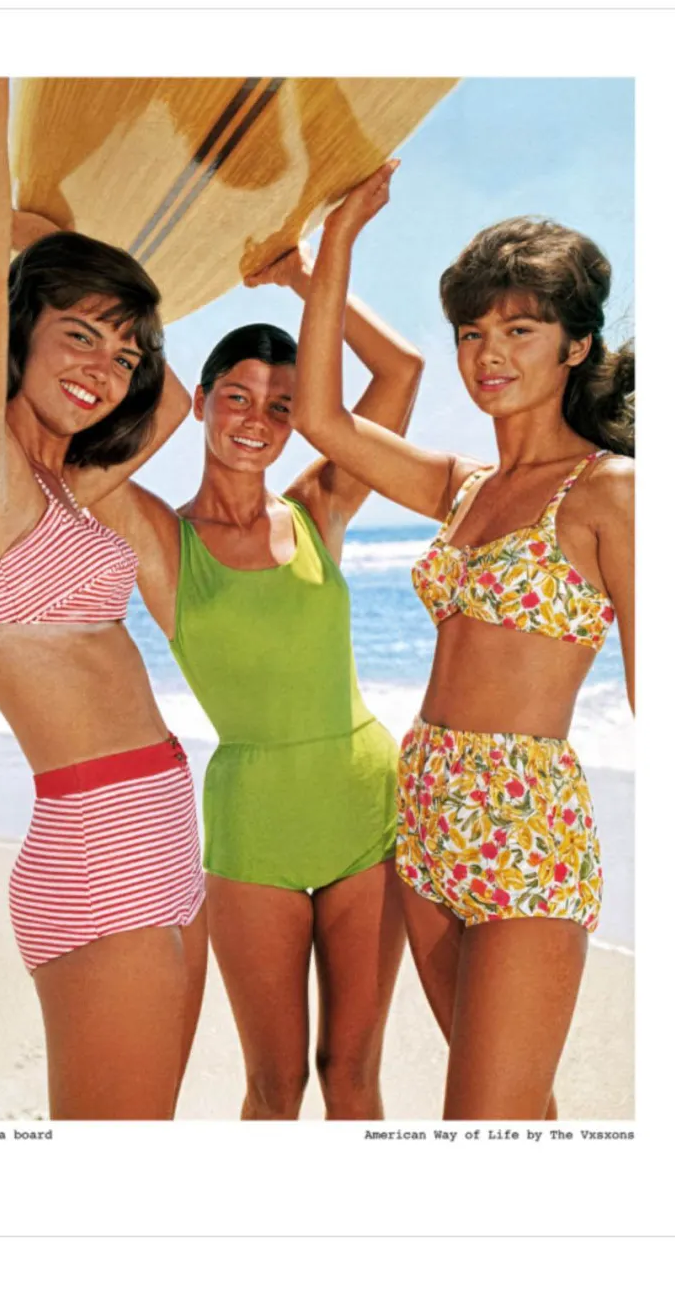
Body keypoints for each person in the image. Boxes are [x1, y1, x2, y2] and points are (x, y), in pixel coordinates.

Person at [292, 176, 635, 1120]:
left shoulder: (612, 492)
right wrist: (329, 254)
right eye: (471, 332)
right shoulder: (464, 487)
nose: (488, 354)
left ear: (576, 344)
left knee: (483, 1124)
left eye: (519, 329)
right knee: (519, 1117)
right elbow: (322, 421)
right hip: (425, 808)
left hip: (526, 826)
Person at [93, 165, 421, 1119]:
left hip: (366, 801)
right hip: (253, 826)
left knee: (352, 1078)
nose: (258, 422)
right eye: (236, 397)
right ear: (200, 402)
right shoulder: (163, 542)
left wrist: (308, 273)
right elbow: (91, 452)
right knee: (274, 1088)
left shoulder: (321, 505)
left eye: (282, 406)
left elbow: (400, 375)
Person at [0, 78, 206, 1120]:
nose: (107, 369)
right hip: (96, 853)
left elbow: (173, 400)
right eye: (80, 334)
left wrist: (61, 255)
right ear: (19, 328)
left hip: (167, 827)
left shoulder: (60, 487)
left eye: (122, 350)